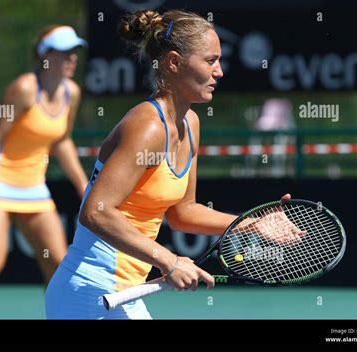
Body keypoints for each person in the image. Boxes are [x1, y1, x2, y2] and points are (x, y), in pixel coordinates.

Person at [45, 10, 303, 320]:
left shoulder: (190, 124)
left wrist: (250, 223)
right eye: (210, 61)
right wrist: (168, 261)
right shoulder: (147, 126)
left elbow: (183, 212)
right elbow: (95, 211)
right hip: (87, 294)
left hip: (123, 293)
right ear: (173, 62)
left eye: (219, 60)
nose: (219, 71)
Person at [0, 25, 89, 319]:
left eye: (74, 52)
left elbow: (61, 141)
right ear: (45, 55)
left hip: (34, 187)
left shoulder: (71, 93)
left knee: (59, 264)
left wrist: (84, 187)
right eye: (64, 52)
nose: (72, 58)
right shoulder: (24, 88)